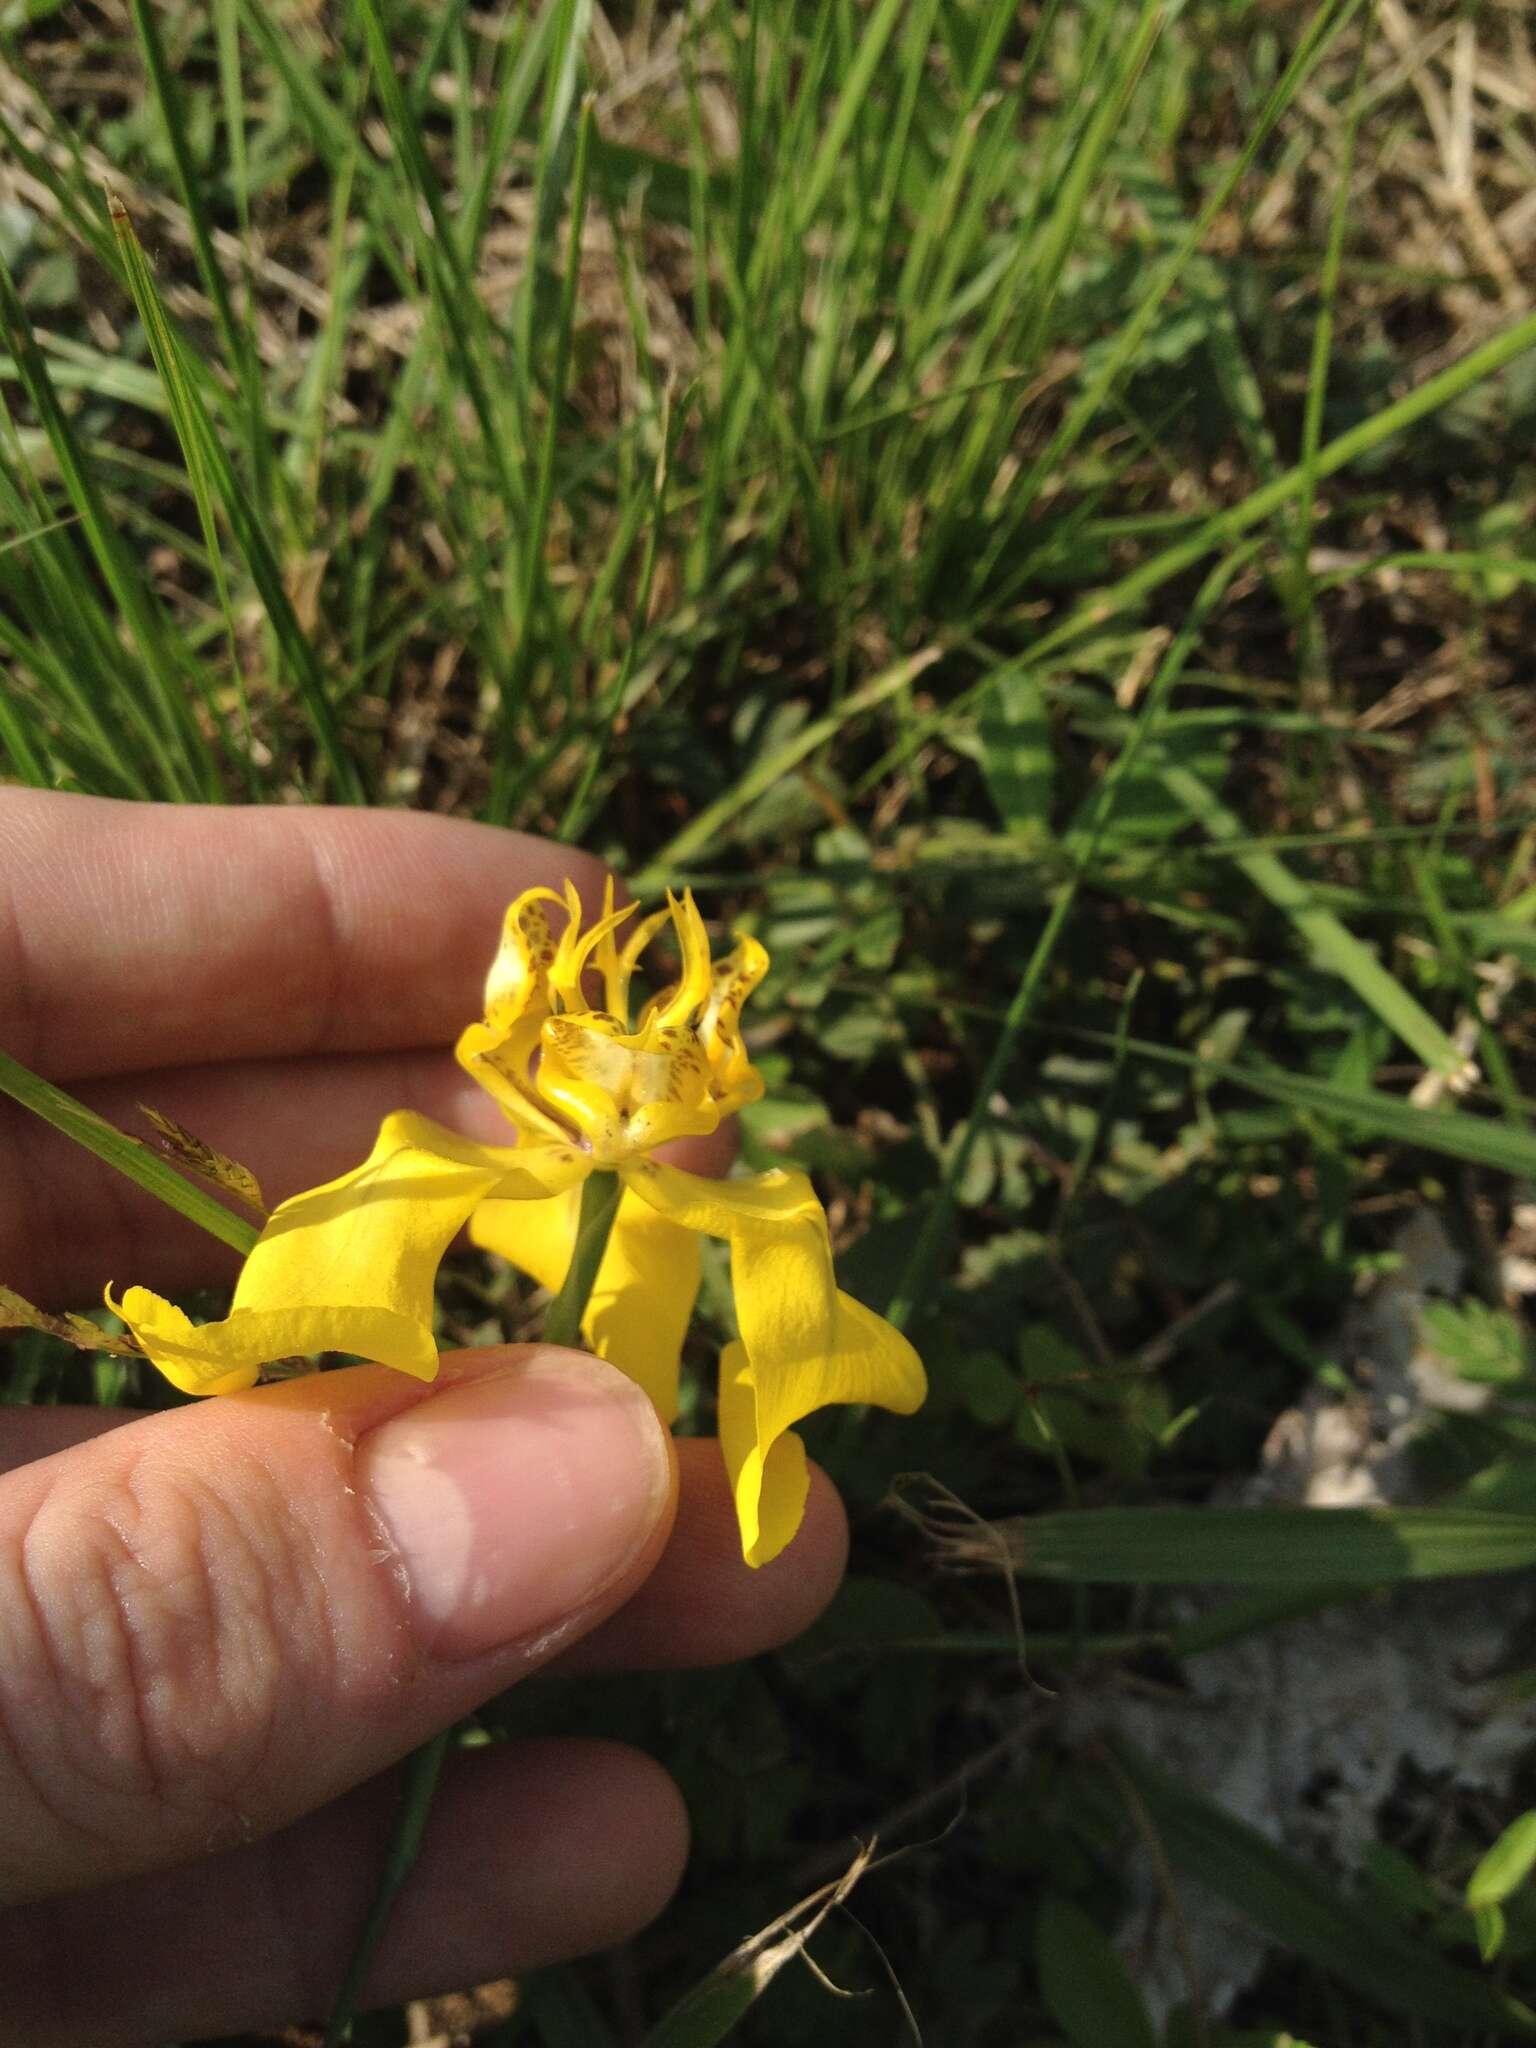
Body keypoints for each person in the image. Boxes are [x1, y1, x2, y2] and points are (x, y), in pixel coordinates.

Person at [0, 790, 847, 2044]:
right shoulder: (428, 1153)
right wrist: (226, 1347)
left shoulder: (765, 1218)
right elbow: (309, 1291)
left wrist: (766, 1436)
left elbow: (777, 1406)